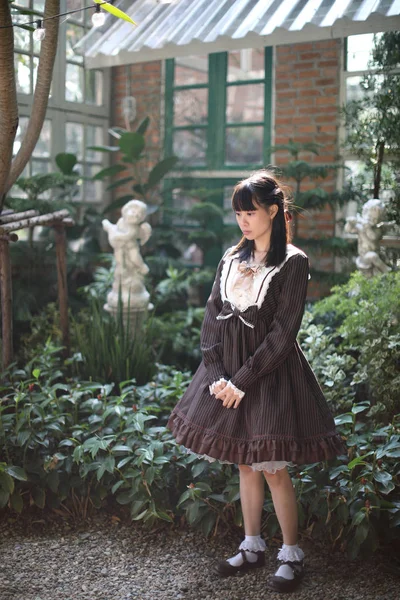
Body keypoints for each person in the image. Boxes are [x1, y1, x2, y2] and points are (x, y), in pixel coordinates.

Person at [168, 170, 345, 593]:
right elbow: (212, 319)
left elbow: (284, 334)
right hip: (225, 376)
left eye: (251, 212)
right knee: (245, 462)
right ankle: (251, 545)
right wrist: (216, 375)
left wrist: (242, 380)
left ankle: (290, 552)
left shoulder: (293, 262)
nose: (244, 221)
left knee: (274, 469)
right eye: (238, 213)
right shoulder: (231, 257)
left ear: (273, 211)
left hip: (270, 376)